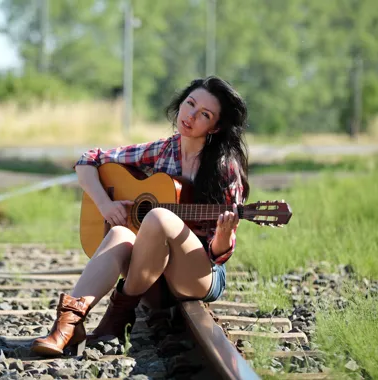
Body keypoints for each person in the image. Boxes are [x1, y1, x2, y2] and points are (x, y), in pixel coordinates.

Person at [30, 76, 250, 357]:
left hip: (197, 275)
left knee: (157, 217)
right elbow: (88, 160)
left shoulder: (224, 167)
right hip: (151, 276)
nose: (191, 116)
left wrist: (223, 235)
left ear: (216, 127)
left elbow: (219, 255)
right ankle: (67, 325)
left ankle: (116, 318)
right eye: (190, 104)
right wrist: (106, 205)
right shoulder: (163, 150)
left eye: (204, 114)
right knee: (121, 232)